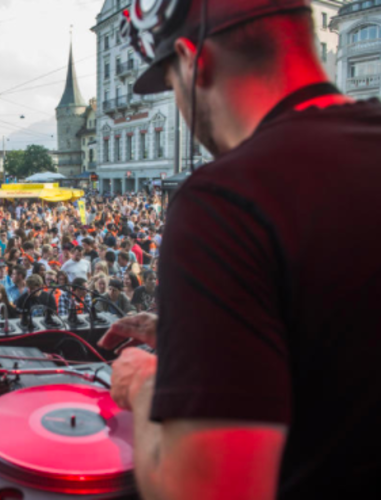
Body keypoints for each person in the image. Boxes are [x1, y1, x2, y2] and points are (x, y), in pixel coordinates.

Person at [100, 1, 381, 499]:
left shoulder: (225, 199)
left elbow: (206, 491)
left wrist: (146, 383)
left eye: (170, 82)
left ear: (192, 60)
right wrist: (198, 343)